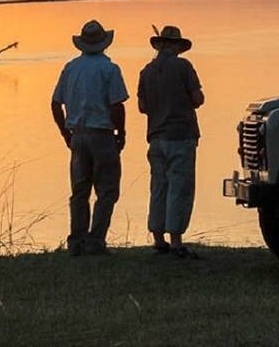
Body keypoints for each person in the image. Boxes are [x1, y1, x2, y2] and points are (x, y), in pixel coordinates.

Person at [50, 20, 129, 257]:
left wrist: (65, 132)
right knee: (107, 190)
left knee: (79, 190)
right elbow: (117, 106)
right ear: (104, 43)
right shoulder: (109, 69)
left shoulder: (71, 68)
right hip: (101, 134)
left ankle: (77, 241)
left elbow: (55, 103)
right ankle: (95, 241)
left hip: (78, 136)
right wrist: (121, 133)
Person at [137, 25, 205, 258]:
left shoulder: (146, 71)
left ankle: (158, 238)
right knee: (180, 187)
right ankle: (176, 241)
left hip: (155, 137)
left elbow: (142, 107)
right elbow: (198, 99)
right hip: (181, 135)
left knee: (158, 187)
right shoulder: (183, 67)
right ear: (175, 45)